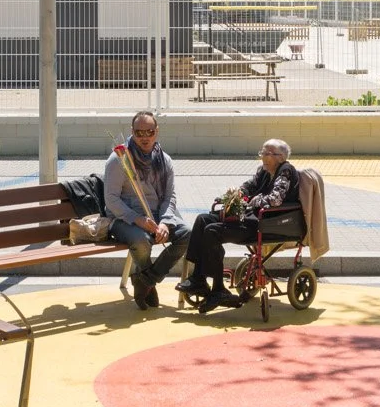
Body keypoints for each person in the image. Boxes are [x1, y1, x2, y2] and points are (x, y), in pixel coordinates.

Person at [181, 139, 302, 312]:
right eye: (263, 152)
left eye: (268, 153)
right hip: (249, 217)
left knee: (212, 231)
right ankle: (198, 278)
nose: (263, 156)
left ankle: (218, 288)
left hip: (264, 223)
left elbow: (276, 199)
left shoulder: (286, 170)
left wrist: (252, 201)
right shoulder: (263, 170)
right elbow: (249, 186)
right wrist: (238, 194)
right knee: (202, 220)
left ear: (281, 157)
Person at [109, 112, 188, 310]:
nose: (144, 137)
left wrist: (165, 222)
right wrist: (137, 219)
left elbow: (170, 196)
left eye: (149, 132)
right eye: (139, 132)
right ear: (132, 132)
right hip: (125, 219)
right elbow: (111, 200)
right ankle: (148, 286)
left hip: (158, 217)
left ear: (157, 132)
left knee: (187, 233)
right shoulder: (119, 159)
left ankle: (146, 280)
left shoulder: (165, 160)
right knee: (141, 241)